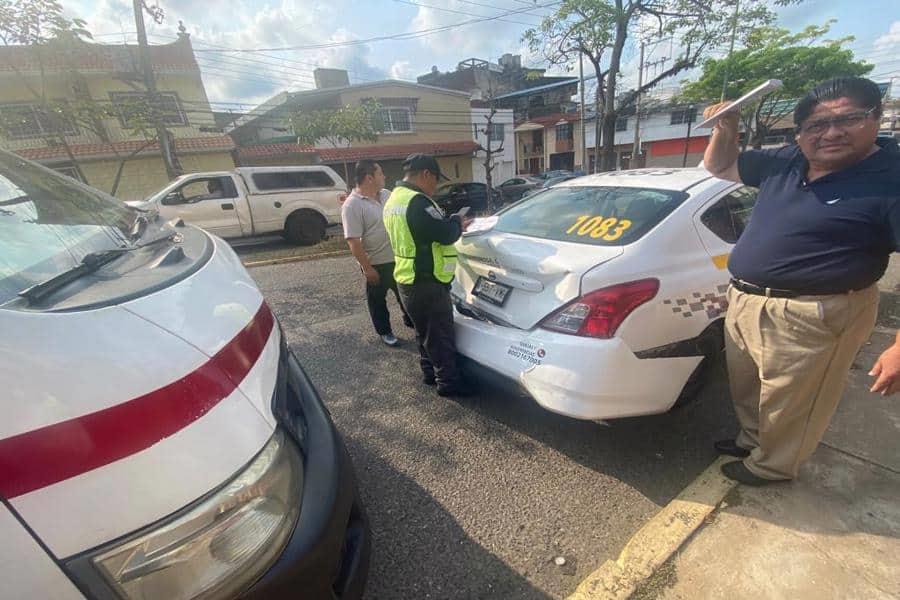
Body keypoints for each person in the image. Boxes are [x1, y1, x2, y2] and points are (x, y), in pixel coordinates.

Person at [703, 77, 900, 486]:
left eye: (849, 119)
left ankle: (773, 466)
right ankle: (753, 440)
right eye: (815, 125)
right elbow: (719, 166)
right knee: (750, 387)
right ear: (800, 133)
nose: (831, 133)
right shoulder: (787, 160)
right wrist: (727, 127)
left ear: (876, 118)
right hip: (748, 301)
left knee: (793, 401)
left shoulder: (891, 178)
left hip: (816, 312)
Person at [383, 154, 474, 396]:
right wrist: (456, 221)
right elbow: (443, 234)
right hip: (426, 281)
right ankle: (449, 384)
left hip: (406, 278)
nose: (436, 186)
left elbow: (421, 232)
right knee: (439, 335)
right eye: (435, 180)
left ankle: (429, 374)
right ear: (425, 174)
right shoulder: (417, 202)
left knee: (423, 332)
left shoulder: (393, 200)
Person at [342, 160, 413, 347]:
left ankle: (410, 320)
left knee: (405, 294)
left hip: (398, 258)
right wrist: (367, 268)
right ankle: (385, 331)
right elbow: (353, 241)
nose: (384, 176)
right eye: (381, 173)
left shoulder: (387, 195)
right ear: (369, 178)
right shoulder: (352, 205)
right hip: (375, 264)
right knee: (378, 302)